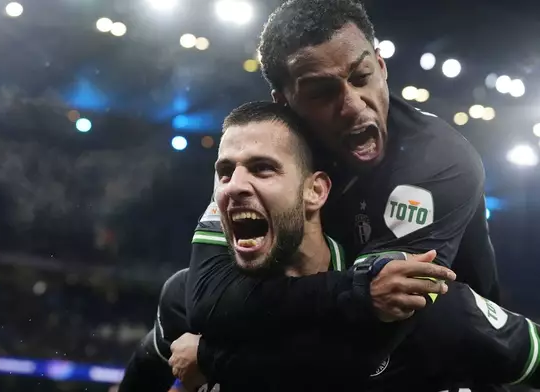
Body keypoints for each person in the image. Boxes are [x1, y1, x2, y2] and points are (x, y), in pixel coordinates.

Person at [185, 1, 500, 390]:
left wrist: (212, 358)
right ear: (286, 102)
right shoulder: (266, 155)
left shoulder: (438, 164)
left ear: (381, 67)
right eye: (321, 92)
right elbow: (206, 298)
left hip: (433, 363)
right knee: (172, 299)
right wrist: (353, 291)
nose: (352, 106)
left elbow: (371, 346)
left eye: (361, 76)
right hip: (318, 332)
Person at [122, 102, 540, 392]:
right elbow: (143, 374)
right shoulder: (186, 298)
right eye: (225, 172)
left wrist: (215, 360)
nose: (234, 187)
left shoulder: (422, 308)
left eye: (263, 169)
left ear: (315, 191)